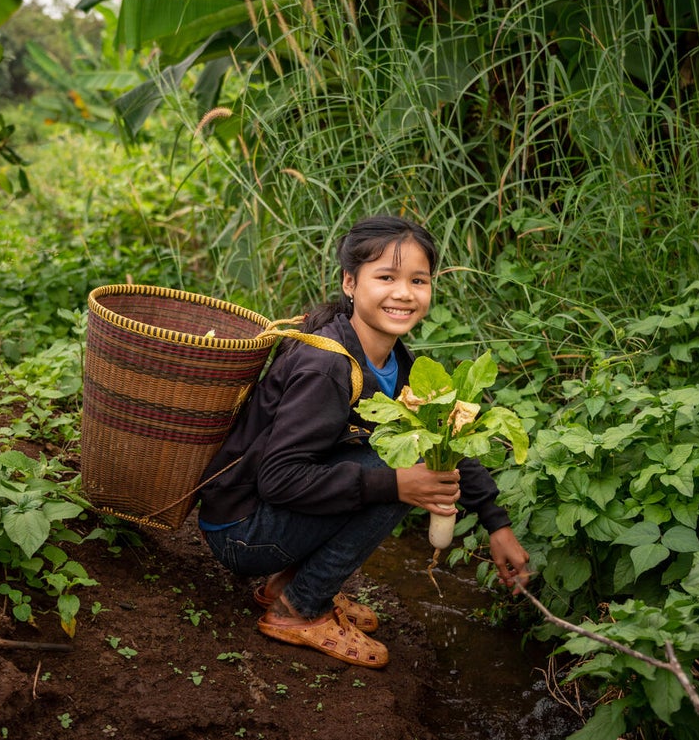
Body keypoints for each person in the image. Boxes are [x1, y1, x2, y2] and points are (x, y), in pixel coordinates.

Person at [197, 214, 531, 669]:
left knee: (411, 460)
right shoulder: (326, 365)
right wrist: (394, 486)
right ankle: (299, 609)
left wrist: (496, 522)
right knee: (403, 474)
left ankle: (287, 584)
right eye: (386, 277)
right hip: (243, 531)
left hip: (265, 516)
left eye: (418, 280)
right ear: (350, 282)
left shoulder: (393, 358)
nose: (404, 293)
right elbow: (278, 479)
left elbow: (444, 439)